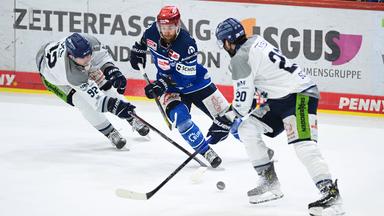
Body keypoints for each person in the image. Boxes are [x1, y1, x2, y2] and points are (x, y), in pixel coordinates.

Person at [215, 18, 345, 215]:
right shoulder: (257, 40)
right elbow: (251, 94)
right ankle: (269, 181)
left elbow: (242, 102)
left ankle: (331, 194)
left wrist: (224, 121)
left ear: (226, 42)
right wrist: (233, 117)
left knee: (303, 145)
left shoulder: (240, 58)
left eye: (222, 43)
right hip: (279, 100)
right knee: (247, 128)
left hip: (300, 95)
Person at [130, 6, 233, 168]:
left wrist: (161, 85)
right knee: (181, 120)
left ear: (177, 25)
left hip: (197, 84)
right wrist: (137, 52)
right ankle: (205, 151)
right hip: (170, 89)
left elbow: (186, 77)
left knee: (231, 121)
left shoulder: (187, 44)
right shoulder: (151, 32)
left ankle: (258, 149)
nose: (167, 31)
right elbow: (142, 43)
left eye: (170, 28)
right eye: (163, 27)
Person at [35, 33, 150, 150]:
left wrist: (111, 70)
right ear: (71, 56)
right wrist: (116, 107)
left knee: (106, 86)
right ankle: (110, 132)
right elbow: (97, 101)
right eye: (83, 57)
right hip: (54, 78)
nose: (88, 59)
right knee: (83, 103)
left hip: (67, 61)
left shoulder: (89, 42)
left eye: (89, 54)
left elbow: (102, 57)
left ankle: (133, 118)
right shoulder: (72, 74)